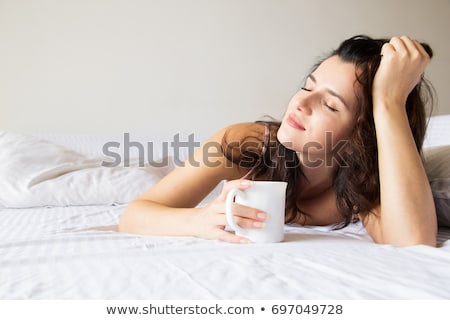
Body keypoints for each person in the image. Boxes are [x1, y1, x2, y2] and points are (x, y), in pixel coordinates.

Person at [119, 35, 437, 247]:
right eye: (308, 86)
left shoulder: (363, 187)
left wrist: (389, 103)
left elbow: (413, 241)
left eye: (330, 104)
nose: (299, 104)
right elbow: (134, 215)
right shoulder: (247, 143)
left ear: (359, 139)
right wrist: (200, 219)